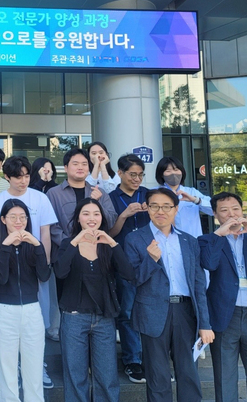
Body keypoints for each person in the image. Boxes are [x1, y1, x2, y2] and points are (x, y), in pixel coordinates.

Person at [124, 188, 214, 402]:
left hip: (185, 311)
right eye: (154, 206)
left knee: (188, 372)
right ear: (147, 209)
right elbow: (132, 279)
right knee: (157, 375)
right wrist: (151, 260)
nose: (160, 211)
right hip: (151, 312)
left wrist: (205, 323)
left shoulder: (189, 241)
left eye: (166, 206)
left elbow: (198, 284)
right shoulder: (135, 239)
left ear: (176, 209)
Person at [54, 198, 134, 402]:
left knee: (107, 377)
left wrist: (113, 243)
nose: (91, 218)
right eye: (86, 213)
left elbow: (129, 274)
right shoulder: (68, 244)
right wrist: (76, 241)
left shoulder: (108, 245)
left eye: (96, 214)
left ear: (102, 218)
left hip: (104, 318)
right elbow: (60, 273)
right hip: (74, 317)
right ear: (78, 218)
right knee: (75, 376)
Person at [0, 155, 57, 388]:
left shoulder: (40, 198)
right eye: (18, 177)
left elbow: (45, 233)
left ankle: (38, 367)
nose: (23, 181)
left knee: (38, 318)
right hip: (8, 266)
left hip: (33, 263)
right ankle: (16, 369)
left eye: (27, 176)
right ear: (7, 177)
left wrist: (44, 263)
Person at [199, 192, 247, 402]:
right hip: (225, 315)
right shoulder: (207, 240)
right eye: (224, 210)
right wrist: (219, 235)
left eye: (235, 208)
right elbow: (209, 264)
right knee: (224, 376)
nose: (231, 214)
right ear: (215, 214)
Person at [0, 199, 50, 402]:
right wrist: (6, 246)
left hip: (32, 310)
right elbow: (1, 279)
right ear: (3, 219)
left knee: (34, 369)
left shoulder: (33, 246)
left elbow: (44, 275)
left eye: (23, 217)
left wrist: (37, 245)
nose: (18, 221)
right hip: (5, 311)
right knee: (6, 371)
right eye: (13, 217)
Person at [108, 154, 150, 384]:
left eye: (140, 175)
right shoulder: (111, 198)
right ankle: (132, 360)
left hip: (151, 260)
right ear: (120, 173)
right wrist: (124, 215)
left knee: (153, 310)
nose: (137, 179)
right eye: (132, 174)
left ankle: (153, 360)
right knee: (127, 312)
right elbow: (109, 233)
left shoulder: (149, 195)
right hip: (124, 262)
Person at [47, 148, 118, 260]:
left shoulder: (100, 193)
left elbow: (111, 223)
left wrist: (98, 203)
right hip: (65, 253)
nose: (80, 167)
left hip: (96, 253)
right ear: (66, 168)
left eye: (84, 164)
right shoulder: (53, 193)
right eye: (75, 164)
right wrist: (71, 244)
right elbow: (51, 227)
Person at [155, 156, 212, 238]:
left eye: (176, 170)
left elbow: (213, 210)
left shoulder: (192, 192)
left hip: (192, 240)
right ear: (161, 174)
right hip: (163, 240)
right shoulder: (154, 193)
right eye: (168, 171)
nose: (173, 173)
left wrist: (196, 200)